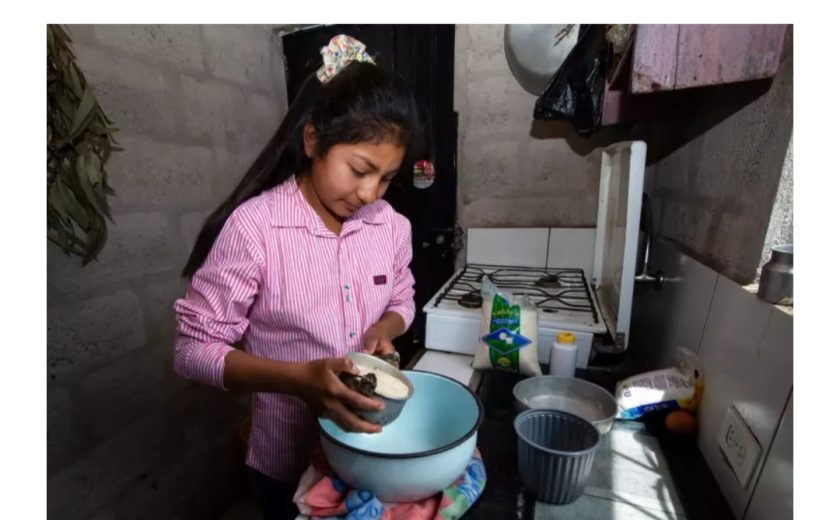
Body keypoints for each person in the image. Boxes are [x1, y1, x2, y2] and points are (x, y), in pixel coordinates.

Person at [173, 35, 421, 519]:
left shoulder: (390, 226)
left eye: (387, 178)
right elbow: (191, 352)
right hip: (286, 463)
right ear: (312, 141)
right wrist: (300, 380)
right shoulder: (255, 229)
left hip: (367, 454)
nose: (370, 193)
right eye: (360, 170)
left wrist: (384, 327)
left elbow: (403, 297)